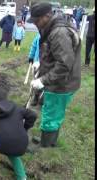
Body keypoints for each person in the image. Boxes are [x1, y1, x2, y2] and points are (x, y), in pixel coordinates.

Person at [27, 2, 81, 148]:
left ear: (47, 15)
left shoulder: (59, 33)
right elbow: (53, 55)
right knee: (53, 111)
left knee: (51, 113)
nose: (36, 24)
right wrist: (40, 65)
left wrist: (43, 80)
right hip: (59, 80)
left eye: (37, 20)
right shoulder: (52, 28)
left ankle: (46, 147)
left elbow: (64, 64)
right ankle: (48, 141)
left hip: (62, 83)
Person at [0, 87, 37, 180]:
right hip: (23, 142)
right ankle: (22, 177)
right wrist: (26, 127)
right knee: (14, 156)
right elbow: (33, 115)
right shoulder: (17, 108)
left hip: (8, 145)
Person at [28, 32, 43, 106]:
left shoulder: (54, 36)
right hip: (37, 62)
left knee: (45, 81)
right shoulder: (39, 35)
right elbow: (34, 46)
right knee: (36, 81)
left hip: (48, 64)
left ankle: (43, 97)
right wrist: (31, 57)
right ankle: (36, 97)